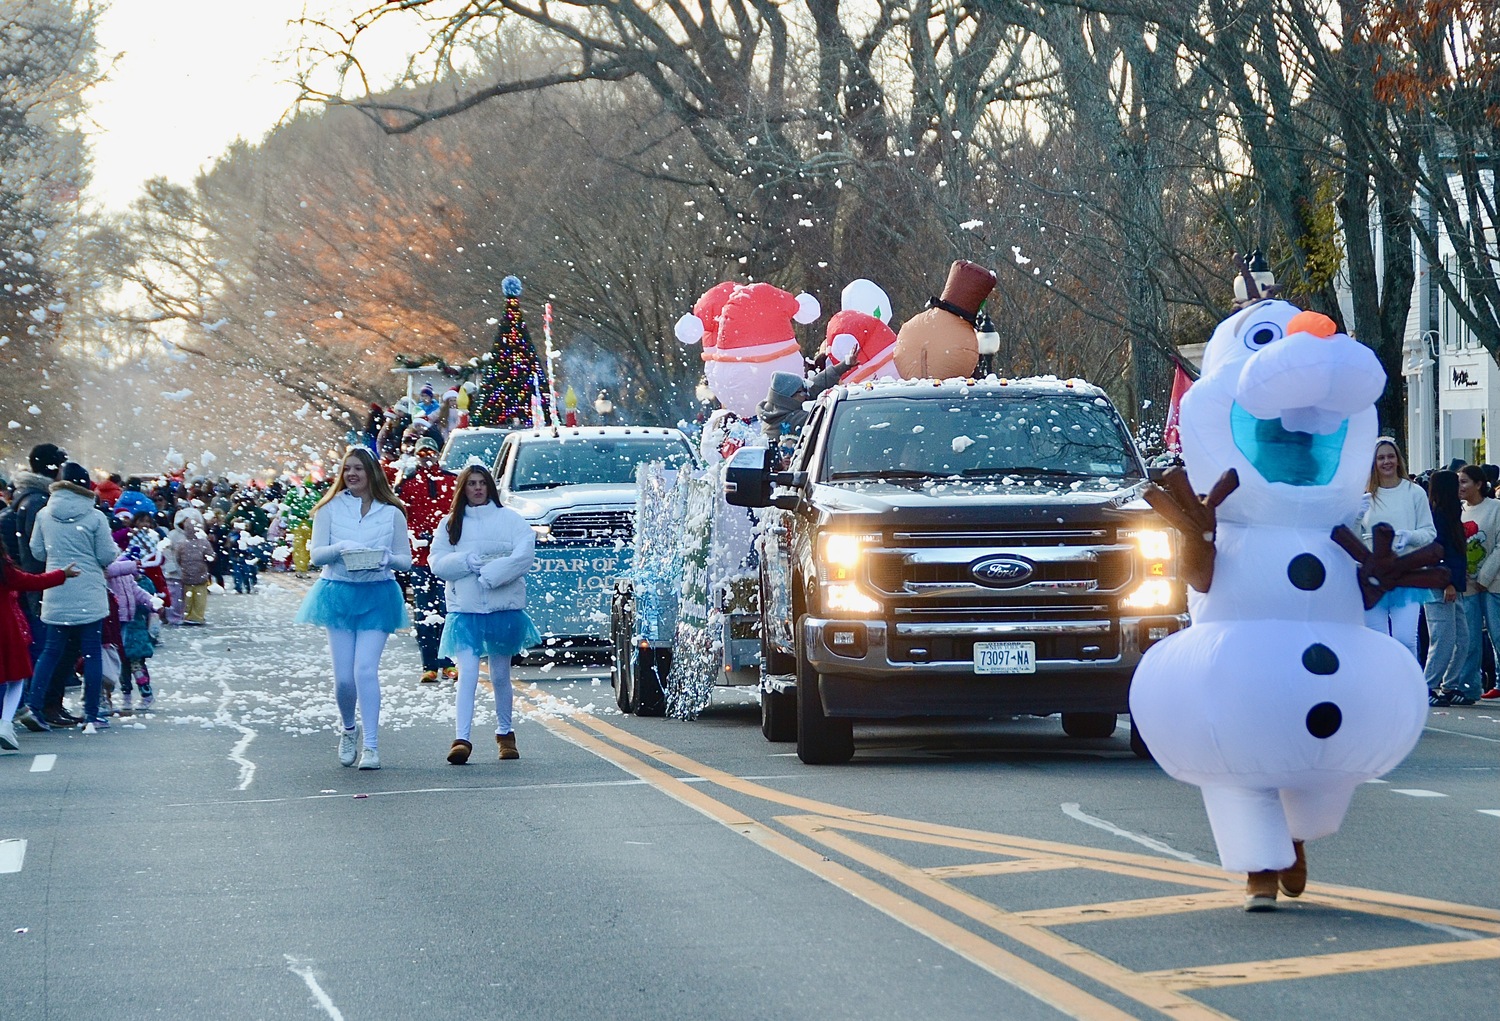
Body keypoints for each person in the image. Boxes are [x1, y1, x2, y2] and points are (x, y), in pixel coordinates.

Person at [294, 447, 413, 770]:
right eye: (348, 469)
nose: (353, 474)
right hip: (339, 593)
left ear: (372, 472)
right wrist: (340, 548)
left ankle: (372, 746)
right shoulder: (329, 509)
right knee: (344, 679)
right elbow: (317, 555)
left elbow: (406, 560)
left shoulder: (391, 513)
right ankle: (349, 729)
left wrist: (388, 558)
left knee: (365, 670)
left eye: (359, 468)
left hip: (378, 594)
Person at [430, 464, 538, 764]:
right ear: (462, 489)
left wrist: (493, 573)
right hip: (465, 610)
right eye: (471, 484)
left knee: (501, 675)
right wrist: (466, 561)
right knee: (467, 675)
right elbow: (437, 562)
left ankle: (506, 734)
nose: (477, 488)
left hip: (502, 609)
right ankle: (461, 738)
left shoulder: (511, 520)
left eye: (482, 483)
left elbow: (524, 555)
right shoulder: (451, 523)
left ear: (490, 487)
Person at [25, 463, 120, 730]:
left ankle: (35, 706)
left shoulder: (44, 514)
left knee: (50, 652)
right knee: (91, 653)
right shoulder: (95, 516)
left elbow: (38, 553)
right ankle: (92, 713)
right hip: (88, 591)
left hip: (57, 588)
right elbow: (105, 555)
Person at [1359, 438, 1436, 657]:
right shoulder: (1364, 496)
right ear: (1373, 462)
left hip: (1406, 575)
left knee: (1405, 638)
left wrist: (1409, 536)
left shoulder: (1414, 492)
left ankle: (1412, 687)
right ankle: (1381, 688)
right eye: (1381, 457)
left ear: (1398, 459)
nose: (1386, 462)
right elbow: (1352, 540)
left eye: (1390, 456)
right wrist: (1355, 516)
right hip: (1373, 578)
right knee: (1377, 641)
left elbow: (1429, 533)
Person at [0, 546, 77, 749]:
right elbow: (31, 581)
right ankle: (5, 724)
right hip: (6, 627)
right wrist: (62, 574)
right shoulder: (4, 569)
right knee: (15, 678)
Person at [395, 437, 457, 684]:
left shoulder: (451, 481)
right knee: (424, 614)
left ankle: (448, 663)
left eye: (431, 452)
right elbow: (399, 514)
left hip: (445, 557)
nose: (426, 456)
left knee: (447, 611)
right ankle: (429, 664)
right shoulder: (408, 483)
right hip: (420, 559)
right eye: (422, 452)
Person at [1446, 463, 1500, 706]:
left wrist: (1484, 578)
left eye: (1464, 481)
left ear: (1479, 484)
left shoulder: (1495, 508)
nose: (1460, 487)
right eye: (1458, 482)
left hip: (1493, 584)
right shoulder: (1457, 511)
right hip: (1466, 585)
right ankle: (1469, 687)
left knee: (1497, 635)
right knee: (1469, 638)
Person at [1421, 470, 1469, 701]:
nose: (1461, 486)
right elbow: (1438, 552)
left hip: (1454, 585)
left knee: (1463, 637)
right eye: (1457, 483)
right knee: (1443, 639)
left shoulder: (1450, 513)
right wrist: (1448, 581)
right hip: (1440, 585)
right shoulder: (1437, 516)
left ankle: (1449, 685)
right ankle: (1427, 687)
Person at [167, 507, 213, 625]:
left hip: (186, 574)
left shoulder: (183, 542)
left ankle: (188, 614)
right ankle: (194, 615)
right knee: (196, 596)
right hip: (195, 574)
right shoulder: (201, 541)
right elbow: (210, 555)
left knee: (187, 595)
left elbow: (176, 556)